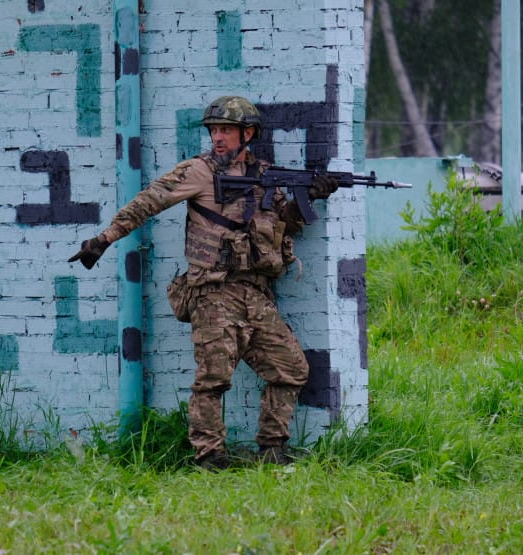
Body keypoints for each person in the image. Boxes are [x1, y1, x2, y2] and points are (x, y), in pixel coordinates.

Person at [68, 96, 338, 469]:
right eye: (214, 130)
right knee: (213, 379)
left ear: (248, 134)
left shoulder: (265, 175)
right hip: (213, 293)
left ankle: (272, 448)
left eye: (226, 130)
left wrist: (311, 196)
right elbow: (148, 202)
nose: (217, 137)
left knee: (291, 369)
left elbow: (284, 224)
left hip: (256, 293)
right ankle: (209, 456)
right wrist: (104, 239)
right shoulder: (199, 171)